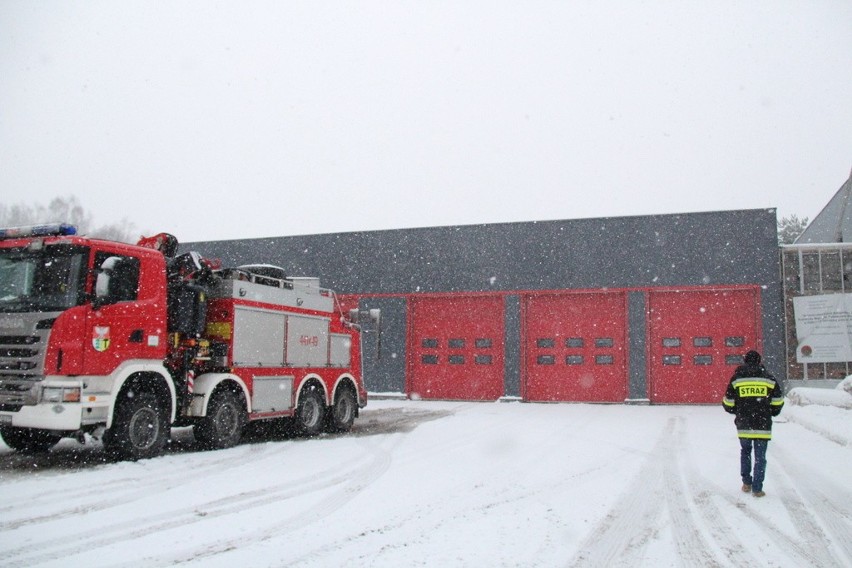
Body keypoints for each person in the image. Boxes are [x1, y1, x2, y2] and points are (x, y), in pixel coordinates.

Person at [722, 350, 784, 498]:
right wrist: (771, 412)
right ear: (759, 361)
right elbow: (778, 401)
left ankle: (746, 483)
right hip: (762, 424)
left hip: (744, 424)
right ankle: (757, 488)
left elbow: (727, 402)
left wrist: (737, 411)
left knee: (745, 452)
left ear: (745, 361)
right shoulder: (768, 378)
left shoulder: (737, 379)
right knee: (760, 457)